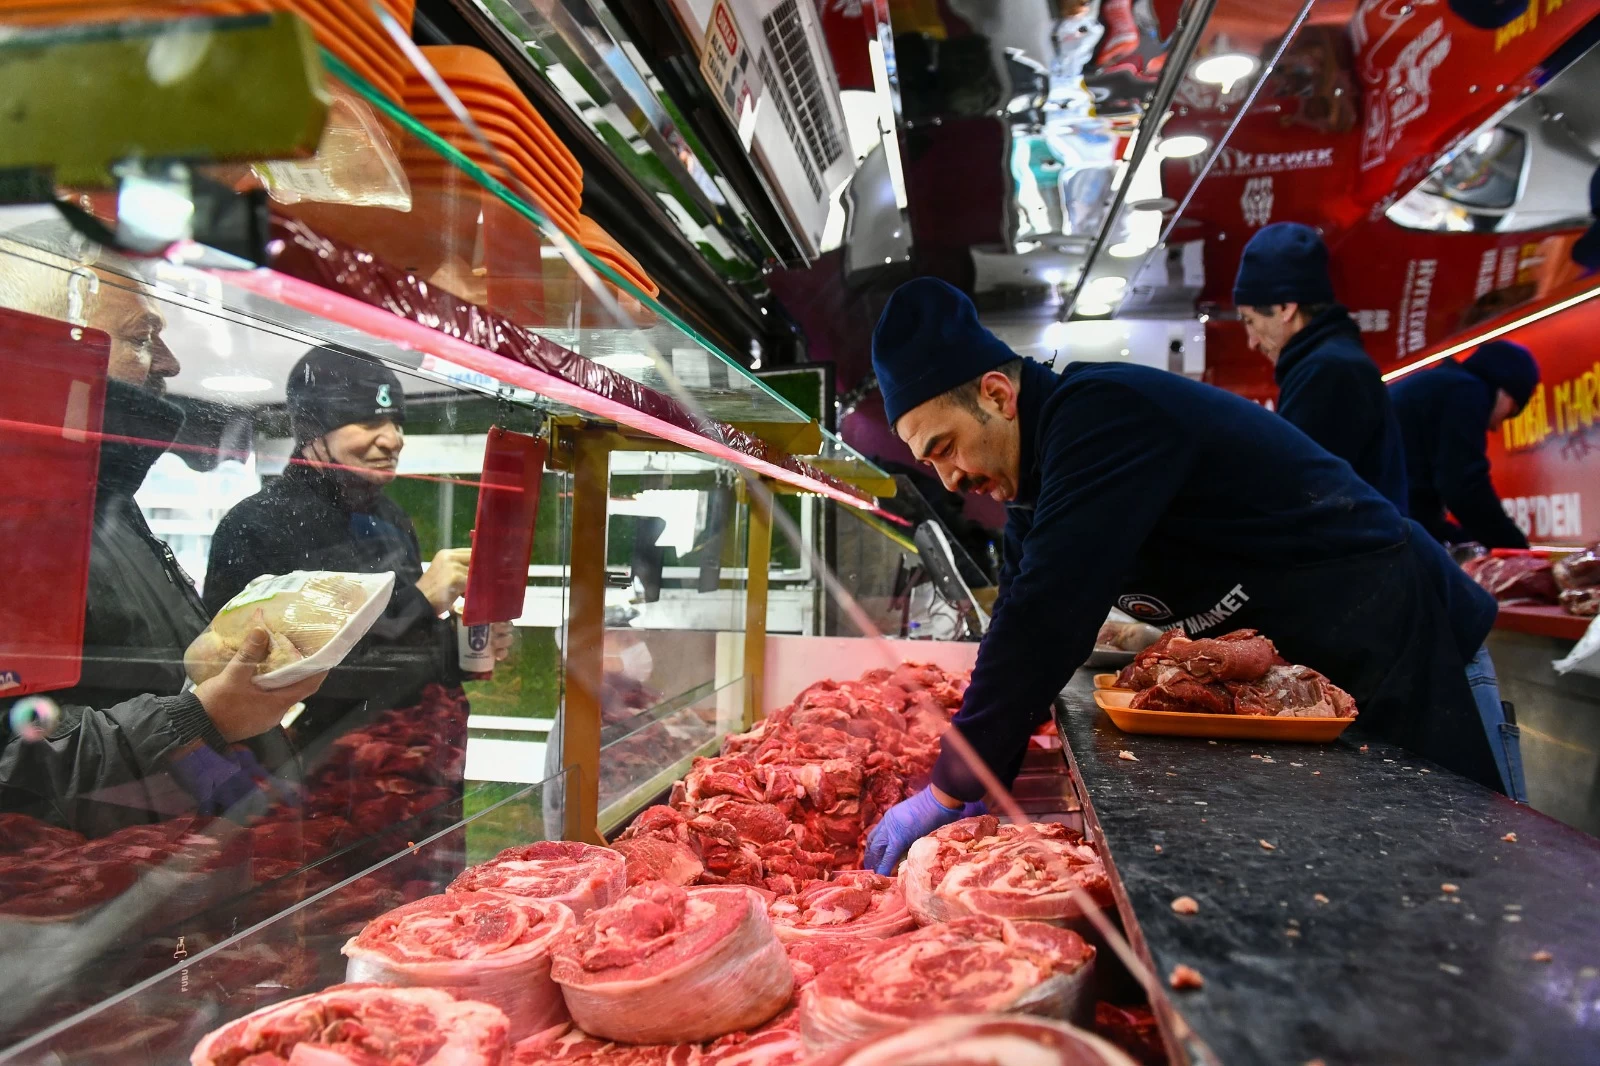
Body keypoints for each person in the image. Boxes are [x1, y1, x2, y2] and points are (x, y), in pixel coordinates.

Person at [861, 278, 1515, 874]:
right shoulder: (1036, 493)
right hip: (1321, 695)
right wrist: (984, 780)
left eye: (944, 447)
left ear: (997, 395)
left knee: (1477, 888)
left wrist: (948, 786)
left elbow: (1047, 618)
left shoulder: (1102, 417)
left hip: (1409, 650)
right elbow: (1016, 623)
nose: (948, 479)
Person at [0, 237, 322, 834]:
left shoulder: (102, 506)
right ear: (39, 345)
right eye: (141, 338)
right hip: (68, 908)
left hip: (160, 880)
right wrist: (198, 721)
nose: (171, 363)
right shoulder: (23, 512)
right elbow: (12, 750)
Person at [204, 348, 499, 752]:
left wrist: (462, 644)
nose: (394, 438)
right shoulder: (257, 526)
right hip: (321, 778)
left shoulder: (389, 516)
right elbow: (259, 677)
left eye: (397, 421)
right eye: (368, 420)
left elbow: (400, 654)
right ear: (312, 430)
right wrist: (419, 602)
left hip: (415, 764)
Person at [1233, 222, 1408, 513]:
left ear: (1285, 308)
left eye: (1250, 321)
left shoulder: (1328, 371)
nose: (1251, 342)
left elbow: (1298, 494)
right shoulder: (1327, 363)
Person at [1389, 341, 1538, 551]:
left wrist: (1455, 534)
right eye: (1511, 412)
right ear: (1505, 389)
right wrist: (1517, 551)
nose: (1495, 428)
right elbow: (1464, 485)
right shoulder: (1466, 391)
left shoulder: (1438, 384)